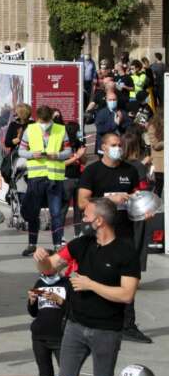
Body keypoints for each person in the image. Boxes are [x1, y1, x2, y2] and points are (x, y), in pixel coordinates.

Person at [33, 198, 139, 376]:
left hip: (107, 331)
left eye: (86, 216)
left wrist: (90, 285)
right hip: (75, 327)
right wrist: (41, 260)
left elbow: (127, 294)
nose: (82, 219)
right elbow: (50, 268)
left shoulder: (126, 252)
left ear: (99, 221)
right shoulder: (80, 244)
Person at [76, 132, 151, 344]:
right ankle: (81, 319)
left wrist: (145, 208)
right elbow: (83, 202)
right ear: (104, 147)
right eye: (114, 145)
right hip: (97, 233)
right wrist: (110, 199)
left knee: (127, 278)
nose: (118, 148)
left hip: (124, 233)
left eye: (120, 145)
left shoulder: (130, 170)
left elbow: (139, 196)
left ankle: (128, 325)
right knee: (92, 275)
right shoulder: (93, 171)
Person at [18, 105, 71, 256]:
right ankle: (32, 244)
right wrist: (31, 154)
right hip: (36, 177)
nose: (45, 125)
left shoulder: (60, 129)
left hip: (55, 177)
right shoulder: (31, 129)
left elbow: (69, 151)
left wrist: (58, 156)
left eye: (47, 122)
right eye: (42, 122)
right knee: (33, 213)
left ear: (51, 119)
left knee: (56, 213)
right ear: (37, 119)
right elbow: (21, 150)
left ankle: (57, 245)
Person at [27, 269, 82, 376]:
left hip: (61, 338)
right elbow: (33, 312)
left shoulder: (68, 284)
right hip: (39, 337)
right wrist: (32, 301)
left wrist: (59, 300)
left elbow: (76, 311)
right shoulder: (39, 283)